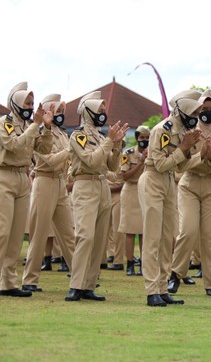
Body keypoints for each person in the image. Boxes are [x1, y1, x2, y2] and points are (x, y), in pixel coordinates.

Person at [167, 89, 211, 297]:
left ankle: (210, 283)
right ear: (197, 110)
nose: (208, 112)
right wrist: (201, 156)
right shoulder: (188, 132)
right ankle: (175, 275)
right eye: (204, 108)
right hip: (189, 185)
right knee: (187, 231)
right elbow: (180, 166)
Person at [140, 89, 202, 307]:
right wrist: (183, 148)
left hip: (169, 182)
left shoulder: (184, 131)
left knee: (168, 238)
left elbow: (181, 166)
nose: (196, 116)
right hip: (153, 179)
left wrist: (192, 150)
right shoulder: (162, 130)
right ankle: (151, 290)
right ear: (182, 109)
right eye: (194, 111)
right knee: (153, 237)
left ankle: (162, 288)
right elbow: (160, 164)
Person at [65, 91, 127, 302]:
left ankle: (89, 285)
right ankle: (76, 284)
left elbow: (113, 166)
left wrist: (116, 145)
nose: (103, 113)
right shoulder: (78, 135)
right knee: (85, 236)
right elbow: (91, 161)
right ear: (89, 112)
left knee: (99, 238)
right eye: (99, 110)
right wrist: (109, 142)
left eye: (103, 110)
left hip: (102, 186)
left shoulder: (102, 137)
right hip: (84, 185)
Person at [0, 83, 53, 298]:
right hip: (4, 175)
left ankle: (9, 282)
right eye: (28, 103)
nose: (31, 107)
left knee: (15, 234)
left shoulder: (30, 125)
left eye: (32, 103)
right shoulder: (6, 123)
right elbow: (13, 145)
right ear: (15, 103)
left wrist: (46, 128)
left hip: (22, 177)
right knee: (2, 231)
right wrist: (35, 126)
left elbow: (44, 149)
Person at [22, 94, 76, 293]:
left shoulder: (62, 134)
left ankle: (80, 279)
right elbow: (48, 160)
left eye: (62, 112)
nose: (60, 115)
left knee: (69, 234)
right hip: (44, 181)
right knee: (39, 234)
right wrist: (71, 150)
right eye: (56, 112)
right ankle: (30, 279)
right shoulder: (39, 132)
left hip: (60, 183)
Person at [119, 125, 150, 276]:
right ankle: (130, 263)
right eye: (142, 137)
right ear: (137, 138)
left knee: (145, 231)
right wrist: (140, 163)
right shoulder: (128, 153)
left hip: (146, 192)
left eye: (147, 137)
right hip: (131, 191)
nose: (144, 140)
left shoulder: (154, 153)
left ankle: (144, 264)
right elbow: (124, 176)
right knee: (130, 231)